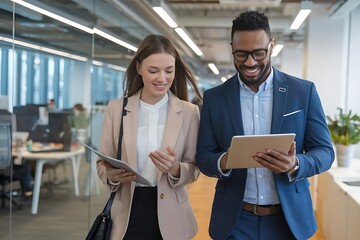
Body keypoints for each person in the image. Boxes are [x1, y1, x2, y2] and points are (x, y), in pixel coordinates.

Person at [196, 10, 335, 240]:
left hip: (288, 221)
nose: (250, 62)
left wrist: (296, 164)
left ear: (271, 45)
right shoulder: (215, 98)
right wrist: (225, 160)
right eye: (241, 54)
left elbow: (326, 152)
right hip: (235, 221)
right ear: (232, 47)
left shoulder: (302, 92)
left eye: (258, 53)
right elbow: (203, 155)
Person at [96, 34, 202, 240]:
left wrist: (176, 169)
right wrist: (111, 175)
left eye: (169, 71)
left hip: (173, 216)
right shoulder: (117, 109)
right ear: (138, 68)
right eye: (153, 70)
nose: (162, 78)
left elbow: (195, 168)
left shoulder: (189, 112)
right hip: (127, 214)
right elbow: (102, 163)